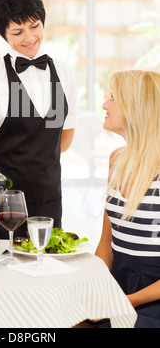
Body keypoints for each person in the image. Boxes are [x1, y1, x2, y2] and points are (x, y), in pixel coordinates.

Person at [0, 0, 77, 238]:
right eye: (17, 32)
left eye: (35, 26)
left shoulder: (64, 73)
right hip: (4, 203)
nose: (30, 37)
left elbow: (64, 138)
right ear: (3, 35)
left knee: (45, 272)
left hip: (49, 201)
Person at [95, 69, 160, 328]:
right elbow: (106, 245)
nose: (104, 104)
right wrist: (95, 287)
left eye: (113, 98)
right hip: (118, 286)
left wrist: (128, 300)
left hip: (151, 296)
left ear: (136, 108)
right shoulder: (116, 160)